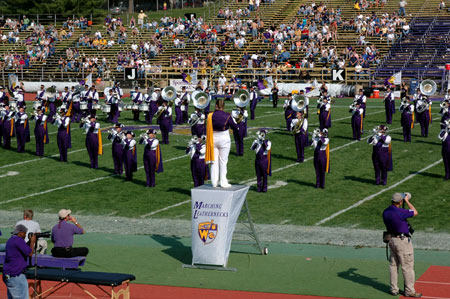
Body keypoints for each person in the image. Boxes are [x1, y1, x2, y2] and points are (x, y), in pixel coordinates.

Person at [382, 192, 421, 297]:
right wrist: (407, 201)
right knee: (407, 266)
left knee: (393, 265)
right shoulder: (400, 212)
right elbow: (415, 212)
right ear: (400, 202)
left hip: (392, 240)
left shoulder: (385, 212)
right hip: (402, 242)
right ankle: (409, 290)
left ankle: (394, 289)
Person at [205, 99, 238, 188]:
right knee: (223, 161)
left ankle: (214, 182)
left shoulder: (210, 115)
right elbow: (235, 127)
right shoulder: (227, 115)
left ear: (216, 105)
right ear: (223, 106)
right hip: (224, 138)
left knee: (214, 161)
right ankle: (223, 182)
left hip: (213, 138)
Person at [2, 224, 36, 299]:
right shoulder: (18, 240)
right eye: (25, 234)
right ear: (20, 233)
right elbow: (30, 253)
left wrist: (29, 241)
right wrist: (32, 242)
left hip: (8, 274)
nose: (25, 236)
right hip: (16, 275)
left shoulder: (11, 240)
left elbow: (22, 249)